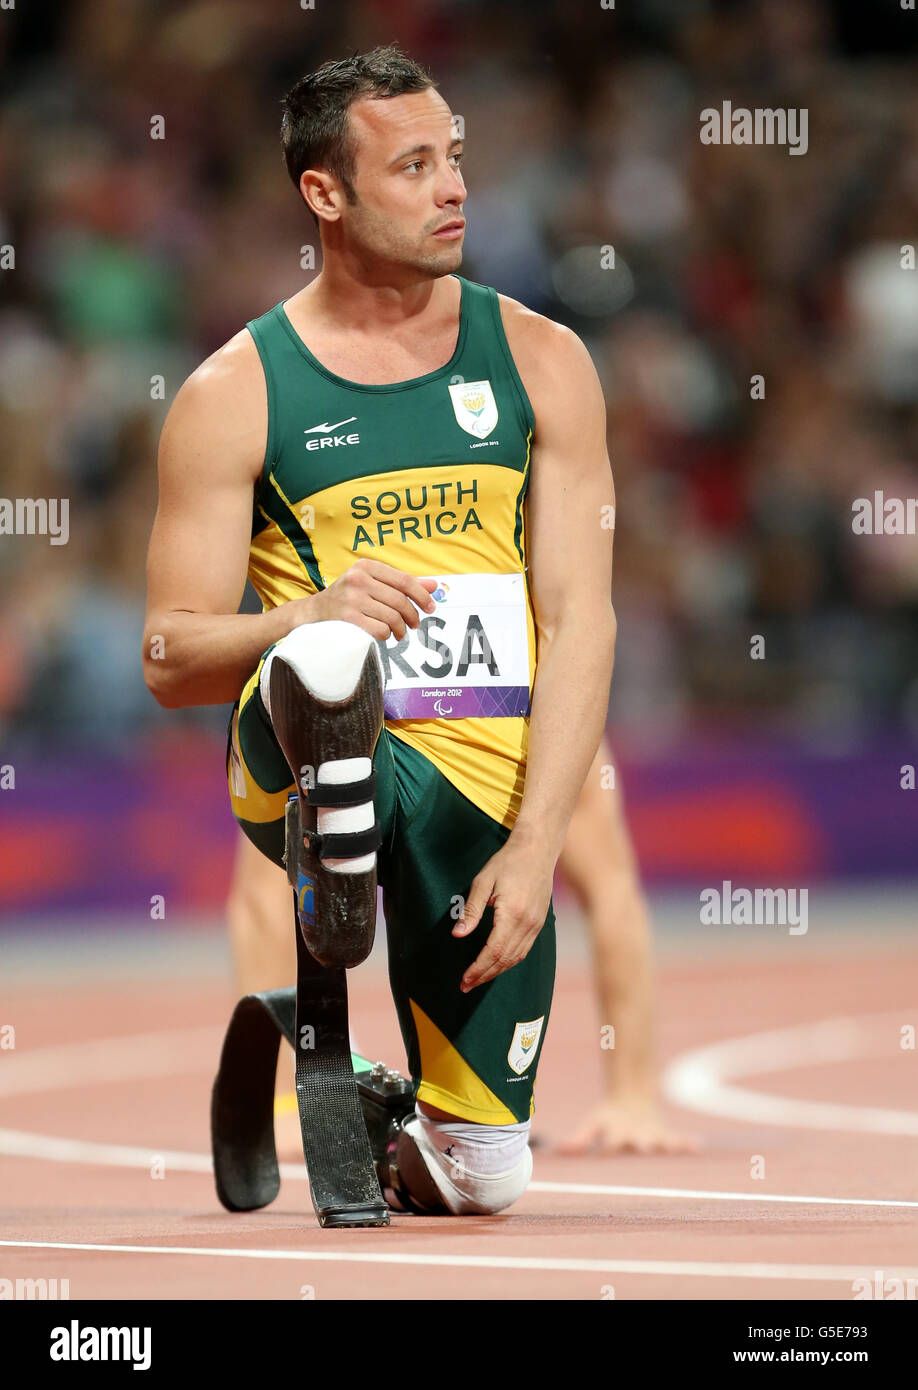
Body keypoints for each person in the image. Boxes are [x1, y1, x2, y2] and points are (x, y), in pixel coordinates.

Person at [144, 45, 616, 1215]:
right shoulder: (234, 392)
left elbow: (581, 620)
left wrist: (537, 844)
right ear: (325, 194)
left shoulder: (547, 364)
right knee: (331, 659)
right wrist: (306, 613)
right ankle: (337, 873)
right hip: (295, 758)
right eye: (414, 165)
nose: (455, 185)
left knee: (487, 1179)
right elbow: (166, 657)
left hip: (482, 803)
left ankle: (367, 1090)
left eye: (456, 156)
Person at [229, 731, 698, 1158]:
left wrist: (632, 1099)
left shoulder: (545, 710)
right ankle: (321, 1092)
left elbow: (611, 891)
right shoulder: (329, 701)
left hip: (502, 723)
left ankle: (472, 1095)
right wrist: (291, 1102)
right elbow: (264, 898)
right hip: (379, 711)